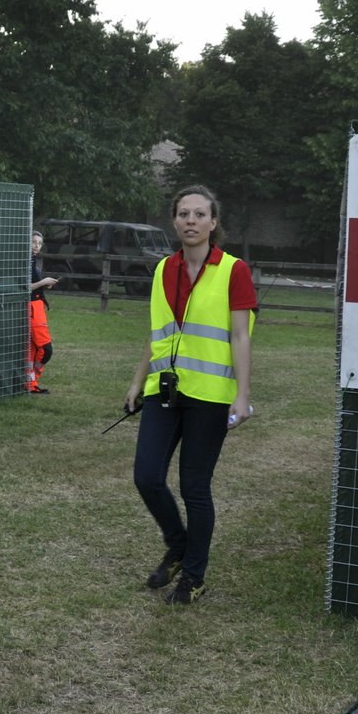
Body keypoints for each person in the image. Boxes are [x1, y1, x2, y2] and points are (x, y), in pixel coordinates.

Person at [124, 185, 256, 604]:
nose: (191, 221)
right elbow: (158, 334)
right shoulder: (164, 269)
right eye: (184, 214)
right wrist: (136, 381)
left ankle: (194, 575)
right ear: (174, 220)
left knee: (194, 487)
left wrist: (242, 394)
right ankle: (178, 544)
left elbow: (240, 334)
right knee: (146, 476)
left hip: (211, 395)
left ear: (214, 223)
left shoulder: (234, 270)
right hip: (165, 390)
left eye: (200, 214)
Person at [28, 230, 58, 394]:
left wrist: (45, 284)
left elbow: (35, 284)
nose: (36, 246)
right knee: (46, 350)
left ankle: (30, 384)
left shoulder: (33, 262)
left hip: (38, 307)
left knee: (33, 350)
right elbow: (24, 288)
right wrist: (43, 282)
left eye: (39, 243)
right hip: (32, 308)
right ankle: (32, 381)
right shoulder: (23, 262)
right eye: (33, 242)